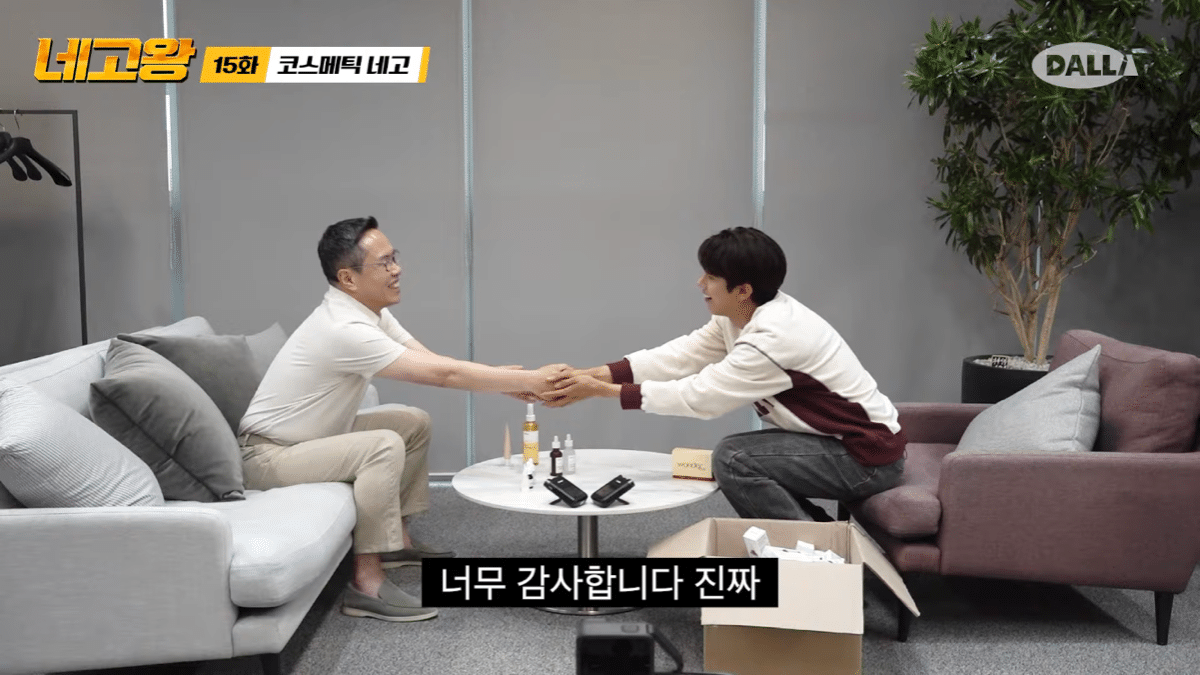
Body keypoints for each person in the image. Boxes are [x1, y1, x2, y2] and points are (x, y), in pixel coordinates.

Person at [238, 216, 563, 623]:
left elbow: (431, 361)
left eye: (395, 258)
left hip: (311, 440)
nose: (397, 269)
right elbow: (442, 375)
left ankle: (397, 543)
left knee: (410, 422)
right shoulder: (343, 328)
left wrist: (502, 381)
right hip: (268, 456)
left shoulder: (368, 311)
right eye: (384, 263)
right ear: (349, 278)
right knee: (381, 445)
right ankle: (366, 585)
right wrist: (525, 379)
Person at [543, 226, 907, 523]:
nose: (700, 283)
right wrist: (590, 375)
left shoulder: (774, 338)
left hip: (865, 458)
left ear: (743, 290)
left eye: (712, 277)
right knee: (740, 454)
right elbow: (681, 356)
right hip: (839, 443)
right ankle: (819, 536)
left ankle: (810, 554)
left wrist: (598, 391)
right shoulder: (740, 316)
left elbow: (701, 397)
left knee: (734, 458)